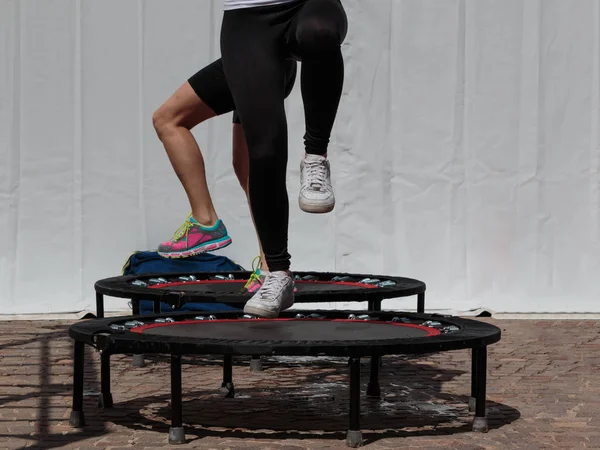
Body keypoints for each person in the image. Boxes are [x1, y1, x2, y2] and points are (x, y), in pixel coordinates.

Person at [220, 0, 348, 318]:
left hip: (310, 5)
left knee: (319, 32)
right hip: (247, 15)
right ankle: (278, 274)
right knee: (264, 150)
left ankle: (315, 156)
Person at [152, 57, 297, 294]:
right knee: (247, 167)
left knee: (168, 119)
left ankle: (205, 221)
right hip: (278, 64)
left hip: (251, 60)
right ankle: (269, 268)